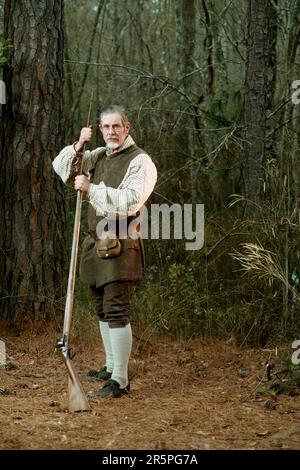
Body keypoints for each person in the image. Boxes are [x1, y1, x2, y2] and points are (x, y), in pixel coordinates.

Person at [53, 105, 157, 398]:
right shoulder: (98, 155)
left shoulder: (141, 162)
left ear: (128, 128)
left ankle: (121, 381)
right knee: (101, 307)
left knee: (115, 309)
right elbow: (62, 167)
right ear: (99, 130)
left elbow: (130, 201)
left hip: (122, 243)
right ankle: (111, 367)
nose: (111, 132)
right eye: (105, 127)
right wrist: (77, 145)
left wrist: (90, 188)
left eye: (116, 126)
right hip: (94, 244)